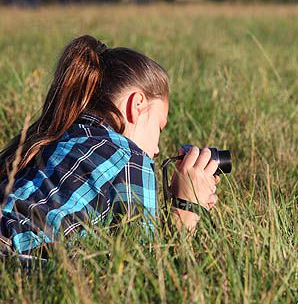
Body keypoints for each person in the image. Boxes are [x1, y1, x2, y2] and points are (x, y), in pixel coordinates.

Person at [0, 35, 218, 255]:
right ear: (137, 105)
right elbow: (143, 266)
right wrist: (188, 206)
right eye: (159, 128)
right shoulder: (129, 156)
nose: (157, 150)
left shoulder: (55, 139)